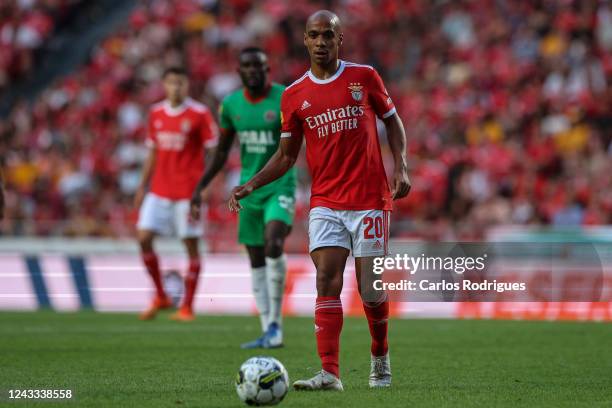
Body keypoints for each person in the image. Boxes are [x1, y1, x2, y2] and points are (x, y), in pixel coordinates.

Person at [228, 10, 411, 390]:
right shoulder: (294, 95)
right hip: (326, 202)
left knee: (371, 290)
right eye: (315, 35)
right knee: (326, 280)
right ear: (305, 40)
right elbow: (285, 156)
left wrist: (401, 166)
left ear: (340, 39)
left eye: (329, 35)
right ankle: (330, 373)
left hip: (370, 200)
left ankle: (380, 356)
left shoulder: (364, 77)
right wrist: (251, 184)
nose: (322, 42)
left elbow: (392, 120)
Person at [191, 47, 296, 348]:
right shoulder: (230, 105)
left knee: (274, 242)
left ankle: (276, 323)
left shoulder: (284, 98)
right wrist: (201, 186)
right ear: (239, 72)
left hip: (280, 185)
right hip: (246, 190)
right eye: (247, 67)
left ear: (267, 69)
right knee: (255, 259)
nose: (253, 71)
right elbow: (222, 151)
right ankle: (268, 329)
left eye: (259, 66)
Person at [135, 67, 218, 322]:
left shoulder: (200, 114)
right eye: (171, 83)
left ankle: (187, 307)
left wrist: (205, 186)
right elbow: (152, 152)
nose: (176, 88)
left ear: (187, 85)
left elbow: (214, 151)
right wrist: (142, 186)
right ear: (164, 84)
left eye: (180, 83)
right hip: (159, 190)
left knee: (190, 245)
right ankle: (160, 294)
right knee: (143, 237)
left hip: (187, 193)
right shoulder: (156, 113)